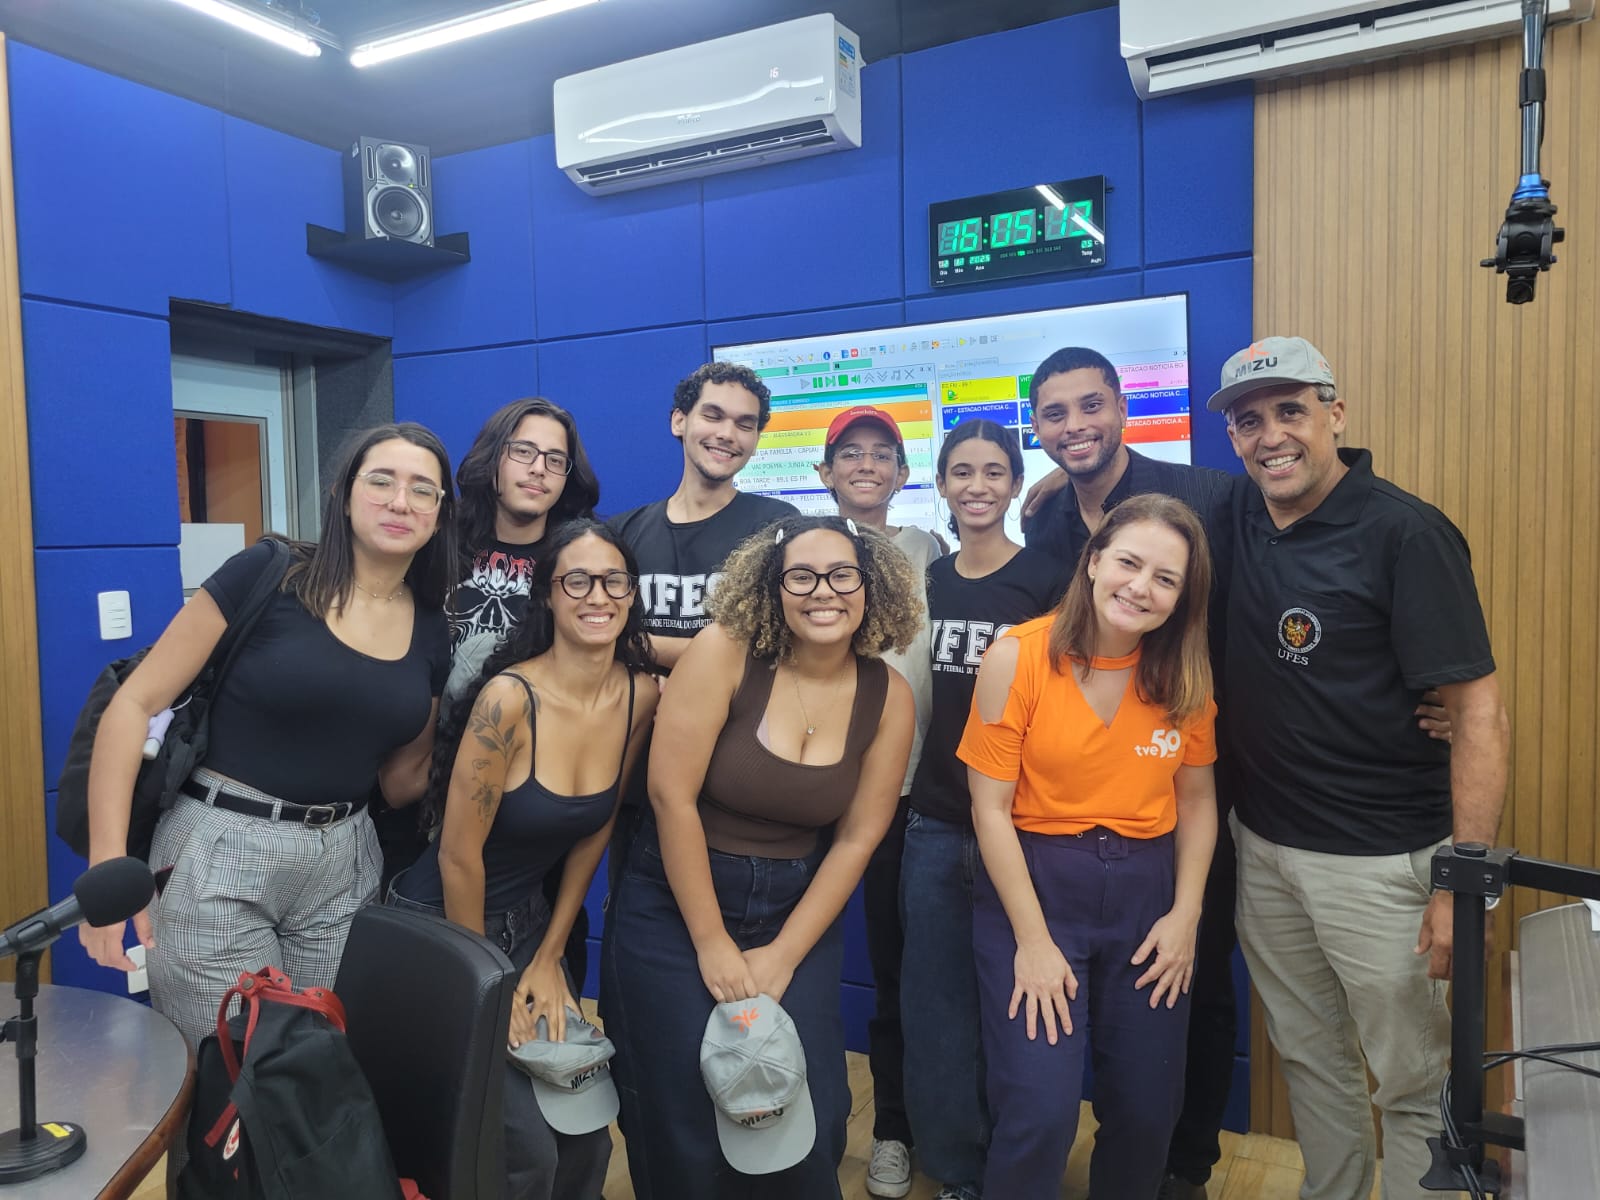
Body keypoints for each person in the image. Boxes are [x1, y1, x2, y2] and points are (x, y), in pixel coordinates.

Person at [1207, 337, 1509, 1200]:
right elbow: (1133, 495)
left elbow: (1479, 710)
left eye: (1291, 411)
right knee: (1309, 1058)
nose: (1272, 436)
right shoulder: (1238, 513)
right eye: (1249, 420)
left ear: (1335, 413)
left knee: (1413, 1078)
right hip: (1263, 852)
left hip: (1381, 866)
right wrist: (1053, 489)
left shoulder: (1405, 532)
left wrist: (1464, 883)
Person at [80, 422, 457, 1053]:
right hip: (220, 849)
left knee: (324, 1071)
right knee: (234, 1078)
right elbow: (135, 704)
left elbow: (402, 778)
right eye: (382, 481)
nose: (401, 502)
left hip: (345, 861)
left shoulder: (430, 629)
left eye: (424, 490)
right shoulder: (270, 573)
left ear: (441, 515)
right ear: (344, 493)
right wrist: (107, 870)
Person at [601, 514, 921, 1198]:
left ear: (873, 586)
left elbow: (860, 837)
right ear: (771, 588)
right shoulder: (723, 650)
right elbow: (670, 797)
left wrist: (782, 954)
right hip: (675, 899)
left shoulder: (889, 696)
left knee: (816, 1112)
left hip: (793, 906)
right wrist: (711, 941)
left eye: (843, 575)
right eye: (799, 576)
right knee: (680, 1109)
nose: (823, 592)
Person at [389, 519, 657, 1200]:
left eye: (614, 580)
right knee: (521, 1152)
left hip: (532, 925)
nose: (598, 595)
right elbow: (456, 855)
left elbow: (593, 835)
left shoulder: (640, 695)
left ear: (631, 594)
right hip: (446, 926)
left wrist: (549, 955)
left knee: (586, 1131)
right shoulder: (509, 698)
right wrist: (492, 984)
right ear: (548, 595)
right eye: (578, 580)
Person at [961, 492, 1218, 1199]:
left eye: (1166, 579)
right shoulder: (1017, 656)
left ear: (1182, 597)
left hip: (1147, 897)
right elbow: (989, 808)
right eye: (1130, 563)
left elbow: (1197, 801)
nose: (1142, 587)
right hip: (1037, 888)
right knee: (1038, 1112)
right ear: (1095, 560)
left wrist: (1186, 915)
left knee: (1145, 1112)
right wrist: (1033, 941)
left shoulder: (1187, 676)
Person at [900, 419, 1067, 1200]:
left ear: (1013, 484)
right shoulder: (922, 585)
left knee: (1020, 1012)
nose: (976, 486)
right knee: (936, 1011)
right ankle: (957, 1173)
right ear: (940, 483)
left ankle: (1016, 1166)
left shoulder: (1047, 580)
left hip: (1027, 828)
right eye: (961, 472)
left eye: (994, 472)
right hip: (934, 823)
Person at [812, 403, 945, 1199]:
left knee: (899, 976)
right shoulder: (801, 552)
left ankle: (892, 1128)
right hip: (813, 791)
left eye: (882, 454)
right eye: (849, 454)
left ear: (901, 473)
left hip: (905, 798)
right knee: (800, 966)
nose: (866, 464)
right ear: (826, 472)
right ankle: (806, 1127)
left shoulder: (934, 551)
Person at [606, 362, 798, 890]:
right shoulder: (622, 534)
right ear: (678, 421)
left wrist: (640, 646)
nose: (727, 434)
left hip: (738, 795)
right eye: (712, 415)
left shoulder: (778, 530)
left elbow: (778, 651)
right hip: (636, 786)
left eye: (745, 423)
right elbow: (587, 642)